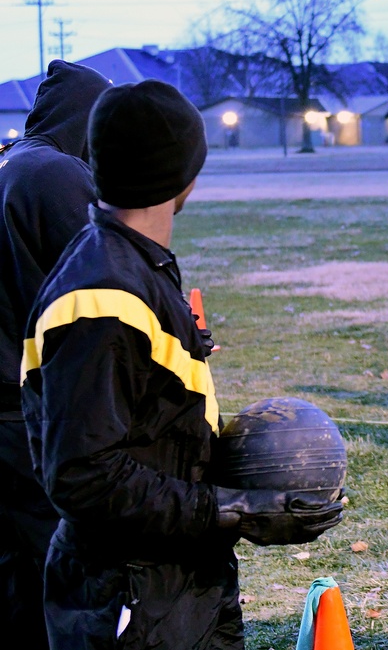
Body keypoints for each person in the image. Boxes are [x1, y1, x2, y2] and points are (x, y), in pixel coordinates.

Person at [20, 79, 344, 649]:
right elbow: (83, 477)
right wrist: (235, 509)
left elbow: (146, 425)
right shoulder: (100, 294)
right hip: (130, 598)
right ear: (186, 177)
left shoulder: (134, 264)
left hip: (178, 581)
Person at [0, 59, 111, 648]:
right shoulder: (58, 174)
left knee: (11, 569)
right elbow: (99, 285)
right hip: (24, 411)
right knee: (59, 562)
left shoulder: (10, 163)